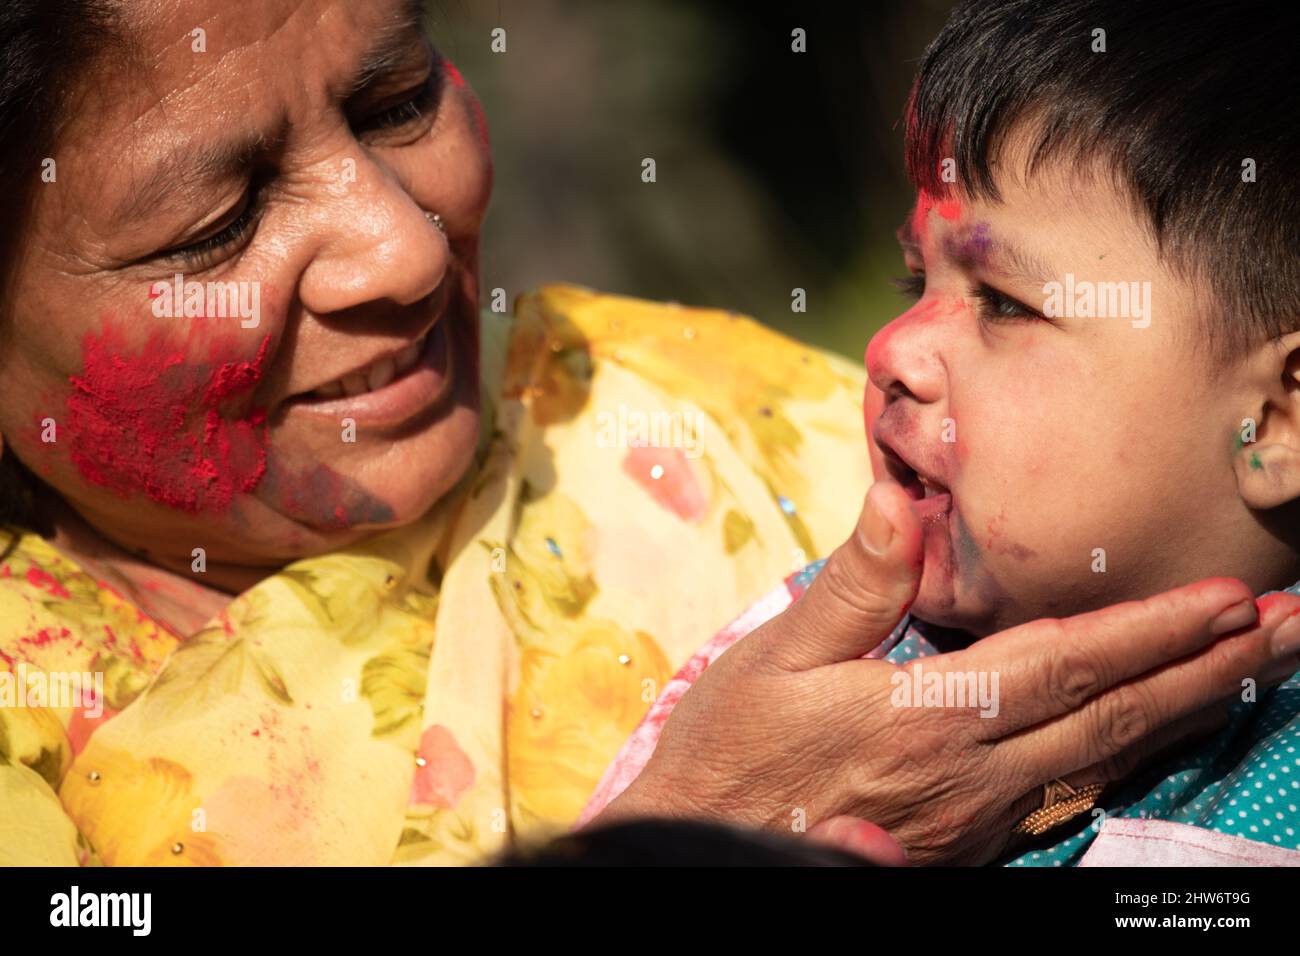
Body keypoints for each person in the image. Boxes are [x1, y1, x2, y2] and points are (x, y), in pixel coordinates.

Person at [1, 0, 1295, 867]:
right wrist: (689, 838)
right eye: (216, 226)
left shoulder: (773, 430)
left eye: (396, 100)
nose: (401, 250)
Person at [584, 0, 1300, 866]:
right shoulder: (817, 675)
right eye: (913, 280)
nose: (891, 350)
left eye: (1005, 303)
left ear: (1275, 421)